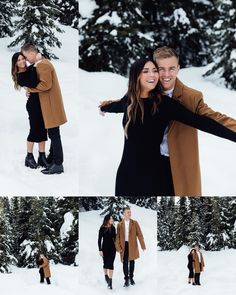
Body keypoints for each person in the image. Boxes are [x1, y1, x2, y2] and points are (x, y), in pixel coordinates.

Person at [100, 47, 236, 196]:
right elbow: (124, 104)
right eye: (160, 69)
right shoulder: (134, 97)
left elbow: (207, 121)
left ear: (178, 69)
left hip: (170, 169)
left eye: (171, 69)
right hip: (129, 173)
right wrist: (106, 106)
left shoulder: (179, 100)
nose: (165, 74)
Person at [21, 43, 67, 175]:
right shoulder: (41, 63)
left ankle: (58, 164)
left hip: (51, 106)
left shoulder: (43, 64)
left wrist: (30, 89)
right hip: (50, 105)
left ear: (31, 53)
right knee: (54, 134)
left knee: (54, 135)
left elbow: (45, 85)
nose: (26, 60)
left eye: (25, 56)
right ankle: (53, 159)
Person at [11, 52, 48, 169]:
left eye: (23, 59)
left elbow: (36, 65)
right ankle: (29, 156)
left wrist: (37, 61)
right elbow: (33, 82)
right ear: (15, 64)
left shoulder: (28, 69)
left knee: (43, 129)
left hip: (41, 103)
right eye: (19, 60)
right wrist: (36, 65)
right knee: (34, 129)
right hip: (33, 105)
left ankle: (42, 156)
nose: (22, 61)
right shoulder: (20, 76)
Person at [115, 207, 146, 287]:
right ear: (124, 213)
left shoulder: (135, 223)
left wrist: (143, 245)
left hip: (132, 245)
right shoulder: (119, 224)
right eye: (128, 212)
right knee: (125, 263)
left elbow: (139, 234)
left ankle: (131, 277)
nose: (130, 214)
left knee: (132, 262)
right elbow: (117, 237)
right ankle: (126, 279)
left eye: (130, 212)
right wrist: (118, 248)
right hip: (124, 245)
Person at [98, 214, 116, 290]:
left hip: (112, 249)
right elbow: (99, 240)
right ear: (107, 220)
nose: (112, 220)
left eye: (112, 219)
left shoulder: (113, 228)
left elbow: (115, 238)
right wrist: (100, 250)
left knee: (111, 264)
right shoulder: (102, 228)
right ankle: (106, 275)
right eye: (111, 219)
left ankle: (110, 282)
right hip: (104, 249)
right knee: (105, 264)